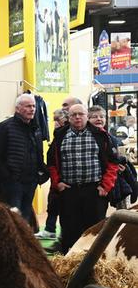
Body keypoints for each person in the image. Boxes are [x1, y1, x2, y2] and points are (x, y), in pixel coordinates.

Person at [46, 104, 119, 254]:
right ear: (69, 117)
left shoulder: (101, 135)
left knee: (95, 231)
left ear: (86, 116)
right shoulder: (60, 135)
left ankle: (95, 264)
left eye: (81, 114)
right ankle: (69, 266)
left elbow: (113, 163)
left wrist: (105, 186)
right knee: (69, 231)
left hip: (94, 191)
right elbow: (52, 162)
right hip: (69, 191)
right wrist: (57, 183)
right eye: (73, 115)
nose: (77, 117)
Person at [0, 94, 47, 219]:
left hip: (31, 182)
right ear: (17, 109)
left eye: (33, 106)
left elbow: (39, 155)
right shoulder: (5, 127)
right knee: (13, 219)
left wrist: (42, 174)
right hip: (12, 183)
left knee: (25, 218)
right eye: (28, 106)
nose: (32, 109)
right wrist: (7, 178)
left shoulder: (36, 128)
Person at [36, 108, 69, 239]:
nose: (55, 123)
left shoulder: (65, 134)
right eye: (54, 120)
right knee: (53, 204)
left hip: (63, 177)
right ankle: (50, 229)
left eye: (57, 120)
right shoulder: (58, 134)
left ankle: (60, 232)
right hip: (56, 176)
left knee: (61, 206)